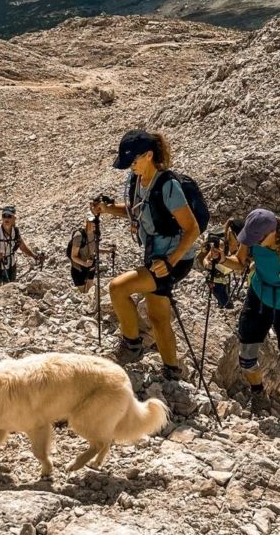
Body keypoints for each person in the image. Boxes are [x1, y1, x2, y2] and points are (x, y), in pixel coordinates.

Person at [90, 129, 199, 381]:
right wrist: (106, 209)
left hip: (174, 260)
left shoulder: (168, 185)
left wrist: (169, 263)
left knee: (117, 288)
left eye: (134, 161)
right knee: (158, 316)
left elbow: (191, 229)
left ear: (149, 155)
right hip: (156, 256)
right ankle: (172, 371)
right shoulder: (137, 181)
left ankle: (132, 345)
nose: (131, 166)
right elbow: (134, 211)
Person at [211, 209, 280, 413]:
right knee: (246, 354)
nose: (251, 242)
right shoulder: (252, 237)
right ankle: (258, 394)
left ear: (271, 232)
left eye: (255, 240)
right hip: (259, 297)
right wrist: (223, 259)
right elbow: (241, 263)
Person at [0, 206, 42, 301]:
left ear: (14, 218)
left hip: (11, 266)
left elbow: (22, 246)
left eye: (9, 216)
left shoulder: (15, 232)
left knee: (9, 292)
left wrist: (34, 256)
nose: (6, 218)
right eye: (4, 216)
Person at [198, 218, 244, 309]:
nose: (241, 240)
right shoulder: (221, 245)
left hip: (225, 278)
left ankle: (220, 309)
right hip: (215, 279)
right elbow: (206, 259)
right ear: (232, 234)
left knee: (223, 297)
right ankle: (224, 310)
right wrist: (207, 264)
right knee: (227, 304)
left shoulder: (240, 247)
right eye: (239, 237)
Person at [68, 215, 116, 294]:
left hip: (90, 266)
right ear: (87, 222)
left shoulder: (95, 234)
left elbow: (94, 250)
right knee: (83, 293)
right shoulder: (79, 236)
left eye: (96, 222)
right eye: (92, 221)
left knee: (90, 292)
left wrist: (108, 251)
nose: (95, 224)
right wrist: (84, 263)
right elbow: (73, 256)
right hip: (78, 268)